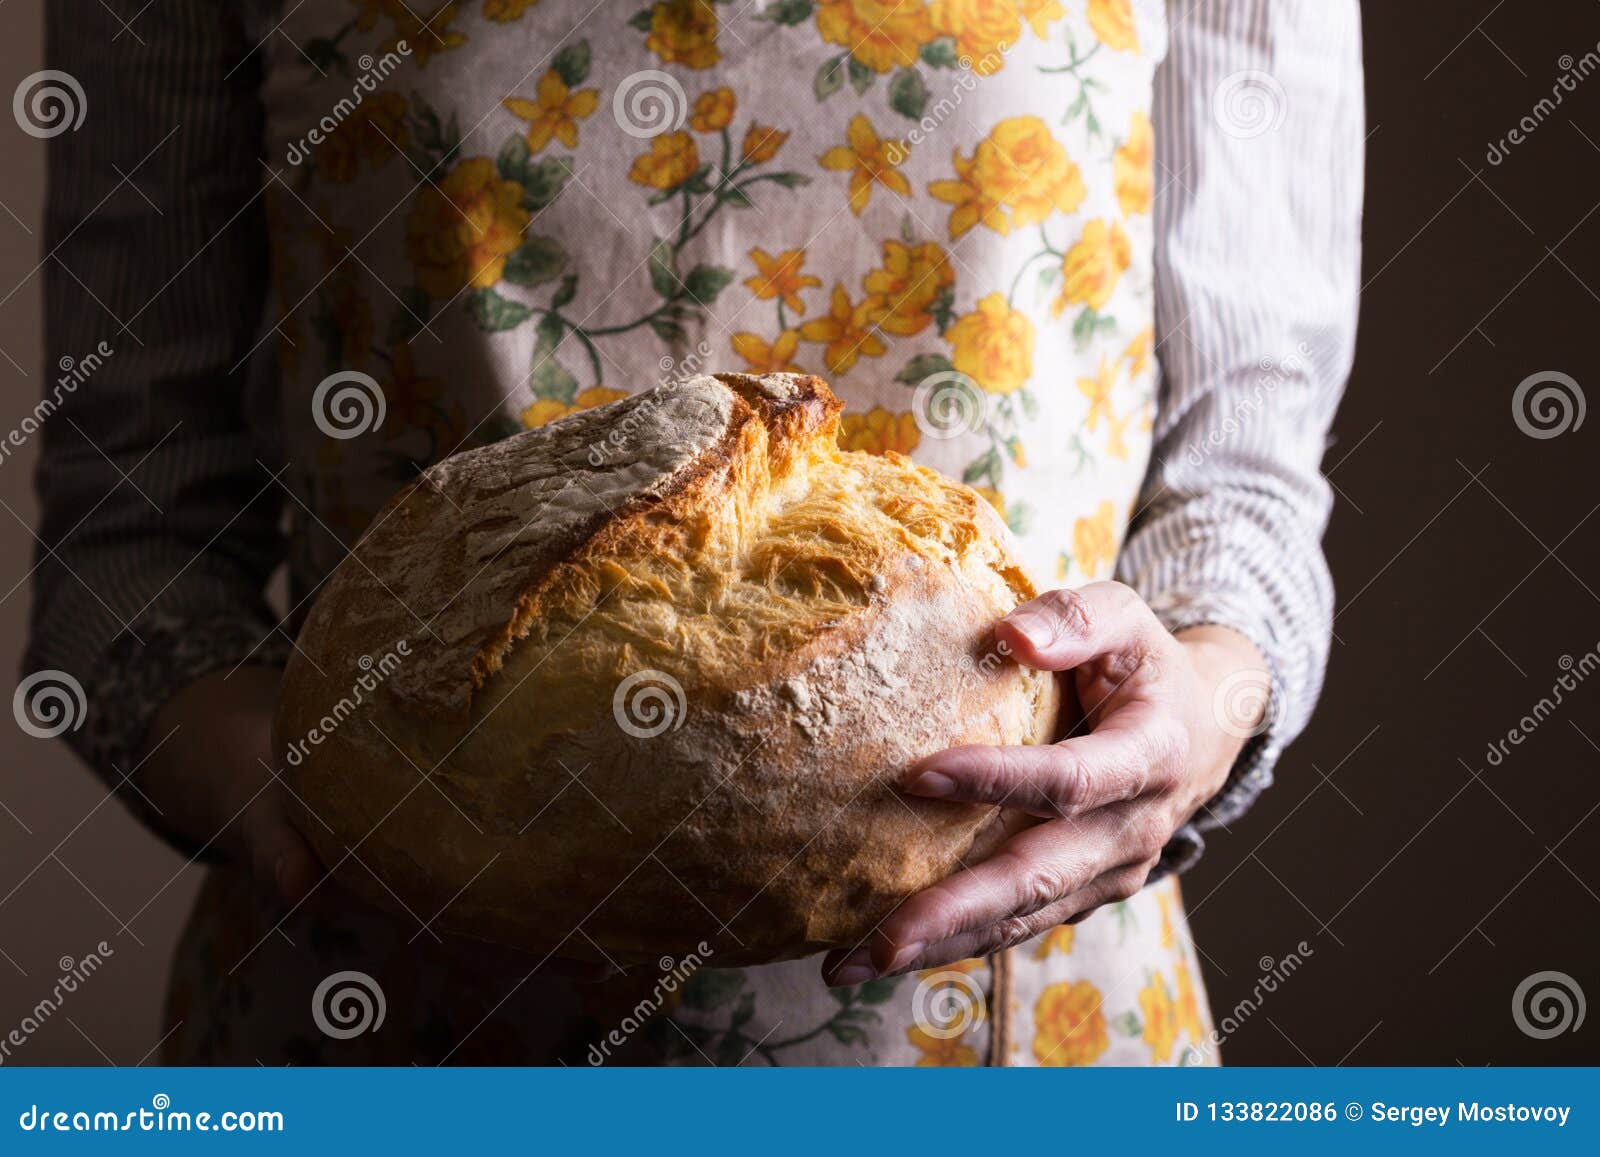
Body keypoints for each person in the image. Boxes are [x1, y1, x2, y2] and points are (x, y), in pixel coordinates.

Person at [28, 0, 1360, 1066]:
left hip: (1006, 1036)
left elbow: (1246, 471)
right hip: (394, 1027)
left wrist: (1197, 710)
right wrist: (302, 802)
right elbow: (128, 525)